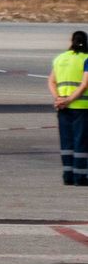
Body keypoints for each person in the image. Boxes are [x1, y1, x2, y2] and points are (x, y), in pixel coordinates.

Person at [49, 31, 88, 186]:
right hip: (82, 107)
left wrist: (59, 99)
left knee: (67, 142)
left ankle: (68, 174)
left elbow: (51, 81)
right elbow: (85, 84)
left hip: (62, 108)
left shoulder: (60, 58)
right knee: (82, 142)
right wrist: (70, 99)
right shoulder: (86, 58)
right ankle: (81, 176)